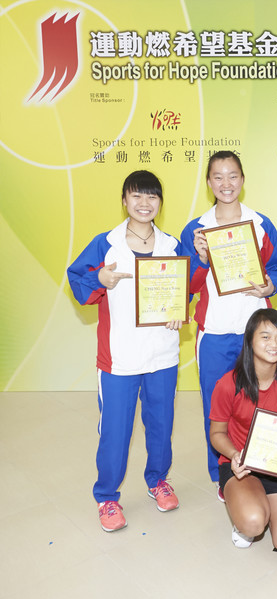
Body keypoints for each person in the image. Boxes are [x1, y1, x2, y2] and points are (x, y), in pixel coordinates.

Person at [67, 170, 183, 532]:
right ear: (124, 200)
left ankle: (157, 480)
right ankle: (107, 497)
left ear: (160, 203)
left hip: (162, 355)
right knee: (116, 430)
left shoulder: (172, 245)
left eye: (152, 197)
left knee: (161, 425)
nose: (145, 203)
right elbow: (78, 280)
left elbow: (184, 290)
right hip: (119, 357)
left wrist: (180, 314)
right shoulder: (106, 244)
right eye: (137, 196)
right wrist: (99, 279)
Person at [181, 151, 277, 500]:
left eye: (233, 176)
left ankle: (262, 464)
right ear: (208, 182)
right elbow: (188, 286)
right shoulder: (196, 229)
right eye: (218, 177)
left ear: (242, 179)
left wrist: (269, 285)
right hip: (213, 333)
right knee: (216, 407)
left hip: (255, 333)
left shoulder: (261, 223)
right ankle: (222, 473)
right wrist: (200, 259)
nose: (226, 184)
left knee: (259, 402)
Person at [208, 308, 277, 557]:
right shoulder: (228, 383)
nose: (273, 344)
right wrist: (234, 455)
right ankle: (245, 509)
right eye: (265, 336)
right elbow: (217, 433)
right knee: (253, 522)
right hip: (242, 465)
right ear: (250, 340)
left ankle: (265, 503)